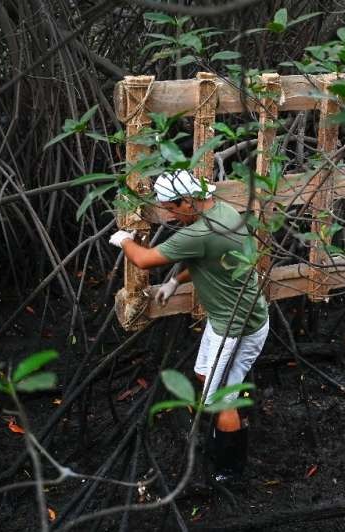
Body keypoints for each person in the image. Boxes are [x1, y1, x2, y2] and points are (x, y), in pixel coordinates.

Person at [109, 169, 269, 483]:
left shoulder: (199, 232)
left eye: (170, 207)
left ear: (187, 202)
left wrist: (125, 241)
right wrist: (173, 282)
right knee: (205, 376)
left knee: (219, 396)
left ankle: (230, 470)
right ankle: (230, 425)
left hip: (238, 327)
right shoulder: (222, 211)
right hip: (228, 321)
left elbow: (144, 259)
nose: (169, 215)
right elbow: (207, 261)